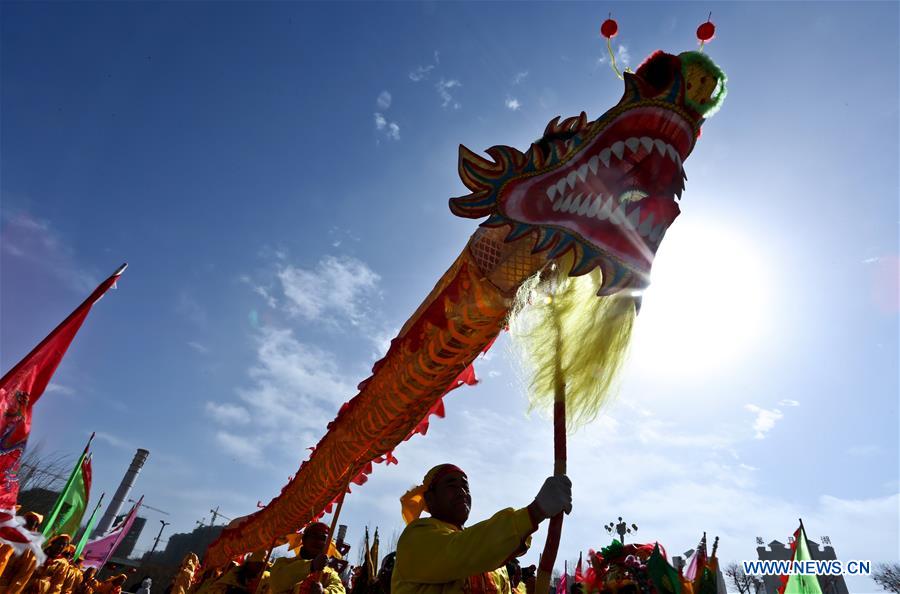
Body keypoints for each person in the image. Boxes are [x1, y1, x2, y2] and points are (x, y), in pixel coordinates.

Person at [391, 464, 572, 594]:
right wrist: (535, 512)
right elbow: (463, 551)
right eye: (451, 485)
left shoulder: (494, 565)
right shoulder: (416, 537)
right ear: (430, 498)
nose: (462, 491)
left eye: (465, 486)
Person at [268, 523, 344, 594]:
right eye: (314, 536)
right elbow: (276, 583)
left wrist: (323, 592)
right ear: (304, 539)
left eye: (323, 538)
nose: (318, 541)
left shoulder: (329, 574)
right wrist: (311, 565)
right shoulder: (282, 563)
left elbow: (340, 590)